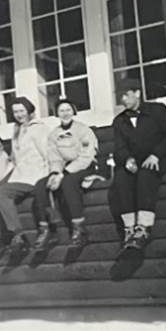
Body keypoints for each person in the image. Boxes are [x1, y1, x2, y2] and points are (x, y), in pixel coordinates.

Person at [0, 98, 60, 257]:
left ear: (30, 111)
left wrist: (52, 174)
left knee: (1, 193)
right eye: (15, 112)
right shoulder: (17, 129)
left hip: (34, 174)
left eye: (22, 111)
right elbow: (16, 157)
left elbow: (48, 153)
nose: (18, 115)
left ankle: (18, 235)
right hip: (18, 171)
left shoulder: (39, 129)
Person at [109, 78, 166, 254]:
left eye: (126, 95)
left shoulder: (158, 111)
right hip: (135, 162)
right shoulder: (119, 121)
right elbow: (119, 148)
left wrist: (156, 155)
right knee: (121, 178)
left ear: (137, 93)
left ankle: (144, 228)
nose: (123, 100)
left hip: (159, 158)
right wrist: (127, 159)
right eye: (120, 96)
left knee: (146, 174)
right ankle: (129, 229)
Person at [46, 99, 98, 248]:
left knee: (68, 182)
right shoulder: (54, 134)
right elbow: (54, 157)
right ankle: (52, 231)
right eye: (61, 111)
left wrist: (65, 173)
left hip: (85, 165)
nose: (65, 113)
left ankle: (79, 228)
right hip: (64, 169)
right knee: (46, 184)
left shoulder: (83, 130)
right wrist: (55, 173)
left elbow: (86, 156)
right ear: (57, 114)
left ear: (73, 111)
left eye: (68, 110)